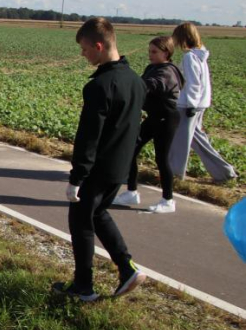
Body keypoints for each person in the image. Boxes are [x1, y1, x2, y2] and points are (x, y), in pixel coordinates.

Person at [52, 18, 146, 302]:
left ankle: (83, 287)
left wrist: (76, 177)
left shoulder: (100, 86)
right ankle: (127, 267)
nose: (83, 55)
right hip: (120, 168)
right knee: (99, 214)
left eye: (84, 49)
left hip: (97, 169)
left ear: (98, 45)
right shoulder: (136, 81)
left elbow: (89, 137)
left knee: (80, 223)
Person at [112, 37, 183, 213]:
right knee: (131, 148)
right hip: (154, 117)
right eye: (149, 51)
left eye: (154, 52)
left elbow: (148, 85)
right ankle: (131, 192)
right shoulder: (153, 68)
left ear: (166, 52)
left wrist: (130, 83)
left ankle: (168, 200)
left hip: (167, 119)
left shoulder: (168, 72)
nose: (150, 55)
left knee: (161, 158)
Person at [168, 22, 238, 183]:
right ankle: (225, 173)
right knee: (197, 140)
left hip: (188, 105)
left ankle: (175, 174)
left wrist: (191, 104)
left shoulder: (189, 57)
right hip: (199, 104)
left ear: (182, 38)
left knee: (181, 141)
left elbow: (193, 83)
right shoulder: (200, 55)